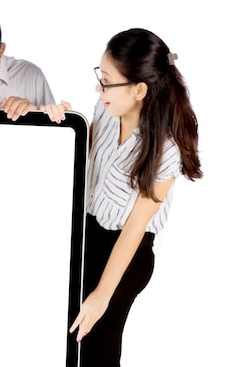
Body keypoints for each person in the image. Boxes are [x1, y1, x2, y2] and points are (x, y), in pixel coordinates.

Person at [42, 28, 203, 366]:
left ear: (139, 89)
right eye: (99, 78)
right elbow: (83, 161)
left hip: (129, 250)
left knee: (97, 335)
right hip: (88, 231)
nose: (98, 89)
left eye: (107, 81)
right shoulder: (105, 110)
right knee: (65, 334)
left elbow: (135, 228)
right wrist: (61, 124)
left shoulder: (165, 149)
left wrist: (102, 295)